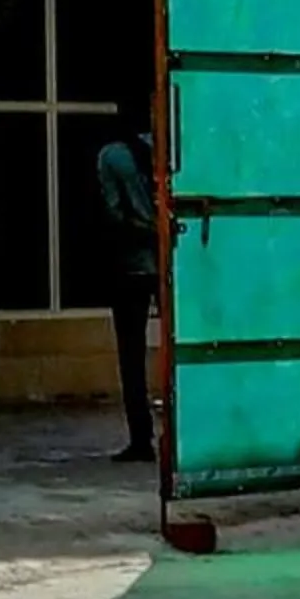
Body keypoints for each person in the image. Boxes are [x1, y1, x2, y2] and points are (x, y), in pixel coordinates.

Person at [96, 117, 161, 463]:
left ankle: (141, 437)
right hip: (171, 263)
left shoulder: (112, 156)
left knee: (132, 355)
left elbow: (113, 213)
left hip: (132, 265)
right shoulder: (167, 148)